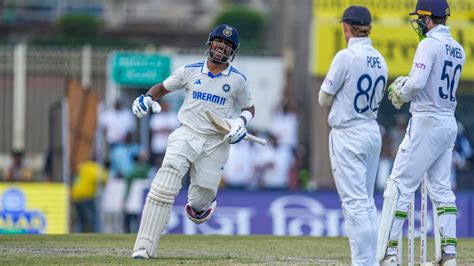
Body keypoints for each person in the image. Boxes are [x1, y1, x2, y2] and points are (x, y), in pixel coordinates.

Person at [130, 24, 255, 259]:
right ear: (210, 43)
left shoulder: (238, 80)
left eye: (227, 45)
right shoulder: (190, 71)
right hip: (186, 134)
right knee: (163, 185)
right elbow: (162, 88)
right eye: (219, 41)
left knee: (198, 202)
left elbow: (249, 108)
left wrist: (240, 122)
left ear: (233, 52)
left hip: (216, 141)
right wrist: (147, 98)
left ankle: (204, 203)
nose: (221, 47)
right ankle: (144, 248)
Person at [377, 1, 465, 265]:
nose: (418, 23)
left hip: (427, 120)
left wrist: (401, 91)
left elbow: (416, 82)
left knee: (399, 185)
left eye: (420, 19)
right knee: (441, 188)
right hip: (448, 121)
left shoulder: (428, 44)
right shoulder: (458, 49)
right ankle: (449, 253)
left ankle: (388, 253)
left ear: (428, 19)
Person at [318, 6, 387, 266]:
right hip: (371, 130)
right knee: (367, 203)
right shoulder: (380, 58)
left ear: (346, 27)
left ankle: (363, 263)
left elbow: (323, 98)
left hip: (348, 133)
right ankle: (371, 260)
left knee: (355, 204)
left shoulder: (345, 56)